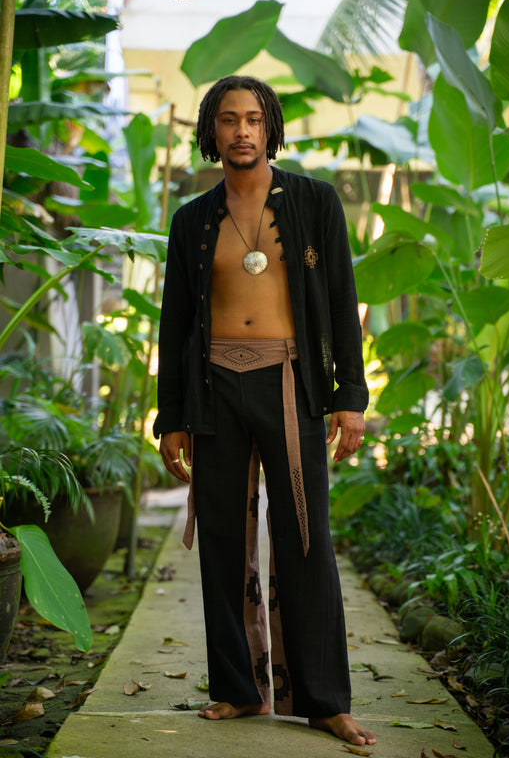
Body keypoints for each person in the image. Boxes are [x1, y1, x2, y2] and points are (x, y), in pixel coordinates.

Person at [154, 74, 376, 747]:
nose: (242, 131)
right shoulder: (192, 220)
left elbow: (341, 299)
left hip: (289, 381)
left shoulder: (316, 202)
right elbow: (173, 327)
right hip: (216, 387)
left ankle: (324, 700)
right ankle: (237, 690)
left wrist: (351, 401)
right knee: (221, 541)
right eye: (228, 119)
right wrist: (171, 417)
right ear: (211, 131)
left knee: (306, 539)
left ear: (271, 127)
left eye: (253, 118)